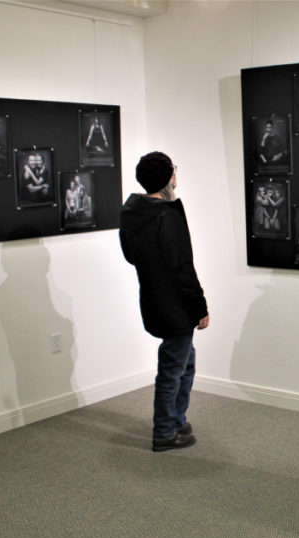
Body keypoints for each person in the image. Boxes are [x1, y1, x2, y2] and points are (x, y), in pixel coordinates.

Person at [120, 152, 209, 452]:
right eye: (173, 171)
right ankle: (164, 432)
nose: (175, 176)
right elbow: (183, 267)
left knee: (185, 362)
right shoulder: (167, 215)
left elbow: (130, 256)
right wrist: (200, 308)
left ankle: (176, 419)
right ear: (168, 177)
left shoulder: (132, 212)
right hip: (176, 307)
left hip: (153, 300)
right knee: (172, 369)